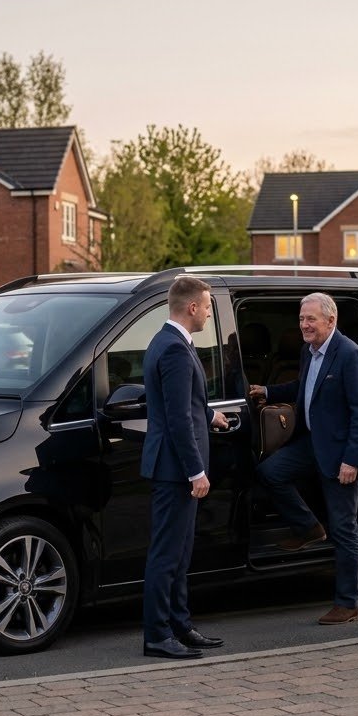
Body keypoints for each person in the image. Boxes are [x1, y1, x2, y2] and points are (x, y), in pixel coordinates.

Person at [249, 293, 358, 625]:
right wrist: (269, 392)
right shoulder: (310, 351)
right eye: (302, 319)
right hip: (312, 443)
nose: (304, 325)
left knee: (344, 528)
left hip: (341, 454)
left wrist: (352, 460)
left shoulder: (349, 355)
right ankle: (307, 527)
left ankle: (347, 603)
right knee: (270, 472)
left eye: (311, 319)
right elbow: (304, 387)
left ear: (330, 321)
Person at [141, 275, 229, 659]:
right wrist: (196, 472)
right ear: (192, 307)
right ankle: (157, 635)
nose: (210, 314)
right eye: (208, 306)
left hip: (173, 465)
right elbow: (176, 417)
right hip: (175, 469)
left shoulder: (168, 341)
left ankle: (180, 625)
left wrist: (209, 415)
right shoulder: (175, 349)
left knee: (180, 552)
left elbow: (183, 404)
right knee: (166, 554)